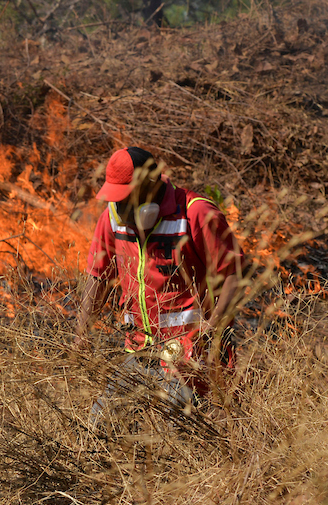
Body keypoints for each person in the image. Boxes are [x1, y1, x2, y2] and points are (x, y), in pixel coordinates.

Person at [74, 146, 243, 415]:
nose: (120, 208)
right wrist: (81, 333)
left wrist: (211, 332)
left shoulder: (196, 214)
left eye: (127, 198)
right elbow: (98, 276)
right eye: (117, 199)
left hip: (191, 359)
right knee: (99, 426)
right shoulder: (112, 218)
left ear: (151, 187)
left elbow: (234, 276)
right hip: (139, 352)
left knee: (175, 432)